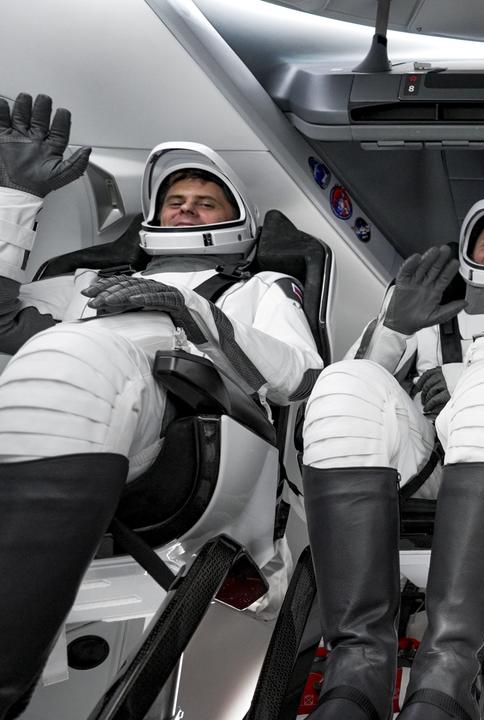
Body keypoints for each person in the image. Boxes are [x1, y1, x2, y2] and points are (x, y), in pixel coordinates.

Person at [0, 93, 323, 718]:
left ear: (240, 226)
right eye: (175, 202)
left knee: (75, 359)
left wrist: (188, 311)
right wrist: (14, 197)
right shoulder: (81, 285)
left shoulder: (255, 288)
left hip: (197, 442)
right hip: (72, 420)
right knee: (57, 362)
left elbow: (301, 377)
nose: (186, 210)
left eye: (205, 203)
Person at [299, 199, 484, 720]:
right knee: (342, 382)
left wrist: (475, 380)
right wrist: (393, 327)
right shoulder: (425, 319)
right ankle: (356, 669)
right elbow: (358, 394)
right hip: (427, 467)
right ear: (467, 255)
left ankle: (446, 670)